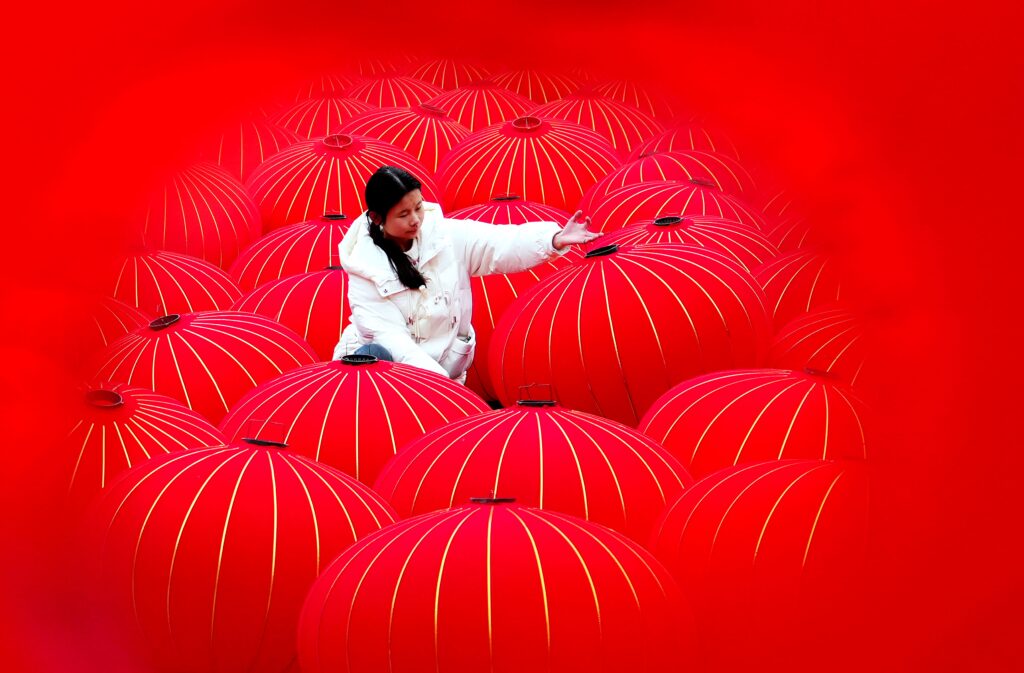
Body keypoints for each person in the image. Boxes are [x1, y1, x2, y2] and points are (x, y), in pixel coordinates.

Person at [332, 165, 600, 382]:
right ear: (377, 218)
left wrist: (553, 239)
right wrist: (444, 390)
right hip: (390, 377)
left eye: (418, 207)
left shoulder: (444, 235)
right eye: (403, 214)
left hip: (445, 368)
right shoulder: (364, 269)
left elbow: (498, 243)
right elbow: (395, 344)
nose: (415, 219)